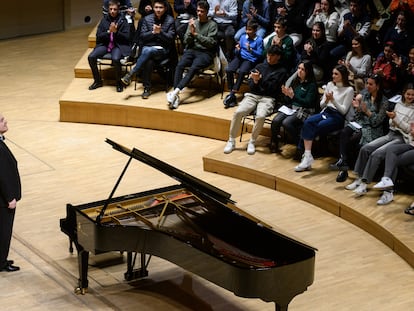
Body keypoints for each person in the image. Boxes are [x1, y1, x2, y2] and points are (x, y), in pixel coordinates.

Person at [346, 83, 414, 196]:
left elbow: (407, 129)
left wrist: (396, 119)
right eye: (408, 94)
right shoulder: (398, 104)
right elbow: (391, 123)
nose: (410, 97)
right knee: (365, 148)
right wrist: (395, 120)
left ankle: (364, 184)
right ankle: (358, 178)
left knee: (376, 154)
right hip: (390, 133)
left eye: (412, 95)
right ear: (404, 93)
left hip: (401, 138)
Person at [223, 45, 287, 155]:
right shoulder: (260, 66)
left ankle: (252, 141)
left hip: (268, 98)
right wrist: (256, 82)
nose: (269, 57)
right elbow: (251, 85)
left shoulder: (281, 71)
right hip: (253, 95)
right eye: (268, 54)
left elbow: (272, 88)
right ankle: (231, 140)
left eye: (272, 55)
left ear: (278, 57)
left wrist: (259, 80)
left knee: (261, 116)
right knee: (238, 112)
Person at [295, 64, 354, 172]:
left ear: (343, 76)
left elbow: (344, 110)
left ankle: (305, 155)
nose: (333, 76)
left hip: (337, 116)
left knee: (316, 127)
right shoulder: (330, 84)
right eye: (333, 73)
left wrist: (333, 100)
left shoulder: (349, 89)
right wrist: (326, 100)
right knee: (308, 122)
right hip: (326, 111)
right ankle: (307, 156)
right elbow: (322, 105)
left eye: (336, 74)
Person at [329, 74, 388, 182]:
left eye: (370, 84)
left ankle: (345, 169)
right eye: (367, 83)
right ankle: (343, 163)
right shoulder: (365, 95)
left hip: (371, 128)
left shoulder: (384, 102)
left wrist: (367, 112)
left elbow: (376, 123)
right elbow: (357, 117)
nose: (367, 86)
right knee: (344, 132)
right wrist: (358, 109)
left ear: (378, 86)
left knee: (351, 141)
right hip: (360, 123)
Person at [166, 0, 218, 110]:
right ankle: (176, 95)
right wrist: (191, 32)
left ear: (207, 12)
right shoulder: (193, 22)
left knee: (193, 68)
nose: (199, 13)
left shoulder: (212, 25)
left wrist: (196, 35)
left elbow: (211, 43)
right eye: (198, 11)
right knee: (180, 65)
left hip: (206, 53)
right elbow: (186, 40)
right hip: (192, 50)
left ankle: (175, 92)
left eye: (202, 11)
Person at [120, 0, 176, 99]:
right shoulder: (146, 19)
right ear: (153, 8)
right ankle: (147, 89)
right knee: (148, 60)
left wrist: (160, 33)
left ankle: (132, 73)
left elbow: (170, 39)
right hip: (148, 48)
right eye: (156, 7)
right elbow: (142, 36)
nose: (158, 10)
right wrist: (153, 33)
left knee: (147, 52)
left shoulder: (170, 20)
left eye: (161, 7)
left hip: (163, 50)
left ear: (165, 8)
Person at [270, 60, 318, 153]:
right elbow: (290, 100)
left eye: (302, 69)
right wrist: (287, 95)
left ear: (308, 71)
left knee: (286, 122)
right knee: (276, 120)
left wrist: (293, 97)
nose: (299, 71)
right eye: (299, 68)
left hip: (305, 109)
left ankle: (301, 146)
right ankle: (274, 142)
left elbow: (308, 102)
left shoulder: (311, 85)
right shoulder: (296, 81)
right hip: (292, 107)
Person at [88, 0, 131, 93]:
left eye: (115, 9)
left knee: (115, 59)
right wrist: (109, 32)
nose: (112, 11)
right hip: (105, 44)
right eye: (110, 9)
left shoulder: (123, 21)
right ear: (108, 9)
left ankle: (119, 83)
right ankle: (97, 81)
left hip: (118, 45)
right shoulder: (104, 20)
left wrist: (116, 32)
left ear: (118, 10)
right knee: (91, 57)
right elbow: (98, 35)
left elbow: (127, 37)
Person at [223, 21, 264, 108]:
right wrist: (237, 50)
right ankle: (232, 93)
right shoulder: (242, 37)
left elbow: (260, 54)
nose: (247, 32)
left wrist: (251, 50)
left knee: (242, 71)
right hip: (240, 57)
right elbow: (237, 52)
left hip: (250, 60)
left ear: (255, 30)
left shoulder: (259, 40)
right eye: (246, 29)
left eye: (250, 30)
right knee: (229, 69)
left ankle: (232, 93)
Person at [372, 122, 414, 205]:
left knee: (393, 161)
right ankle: (386, 179)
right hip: (411, 144)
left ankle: (388, 192)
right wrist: (411, 132)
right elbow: (409, 133)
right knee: (391, 149)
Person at [0, 114, 21, 272]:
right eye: (1, 120)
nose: (5, 120)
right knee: (3, 232)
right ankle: (1, 262)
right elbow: (2, 175)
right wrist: (9, 198)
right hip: (3, 200)